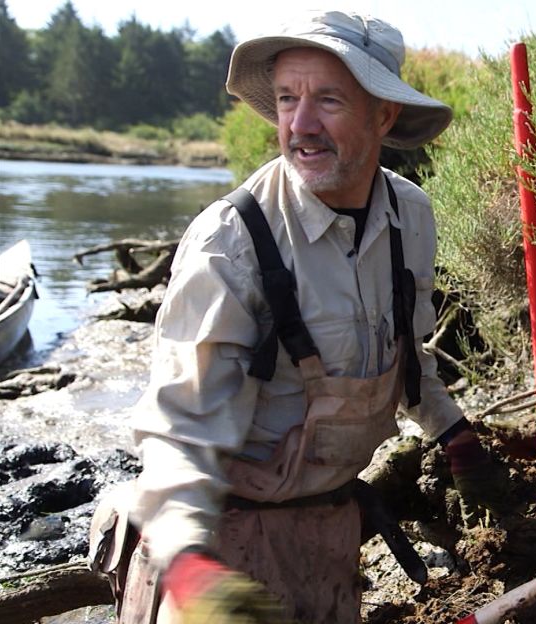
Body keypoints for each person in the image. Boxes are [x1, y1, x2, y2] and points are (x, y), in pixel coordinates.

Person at [114, 10, 509, 624]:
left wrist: (454, 435)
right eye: (286, 98)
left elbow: (405, 350)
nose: (299, 124)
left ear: (384, 115)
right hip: (220, 549)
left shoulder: (411, 217)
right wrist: (189, 565)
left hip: (330, 537)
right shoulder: (233, 241)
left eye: (327, 99)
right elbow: (178, 431)